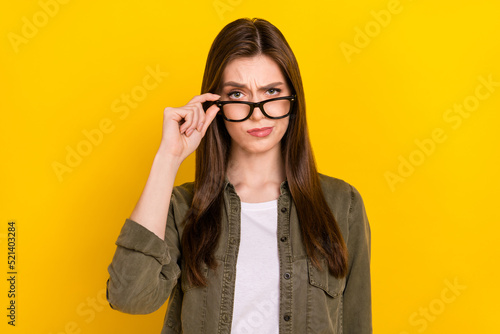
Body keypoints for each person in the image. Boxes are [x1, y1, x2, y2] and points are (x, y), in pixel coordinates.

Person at [106, 17, 372, 334]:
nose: (257, 111)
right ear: (214, 104)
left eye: (271, 91)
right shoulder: (183, 208)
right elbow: (129, 297)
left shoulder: (343, 205)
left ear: (293, 99)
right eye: (237, 95)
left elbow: (357, 323)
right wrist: (169, 157)